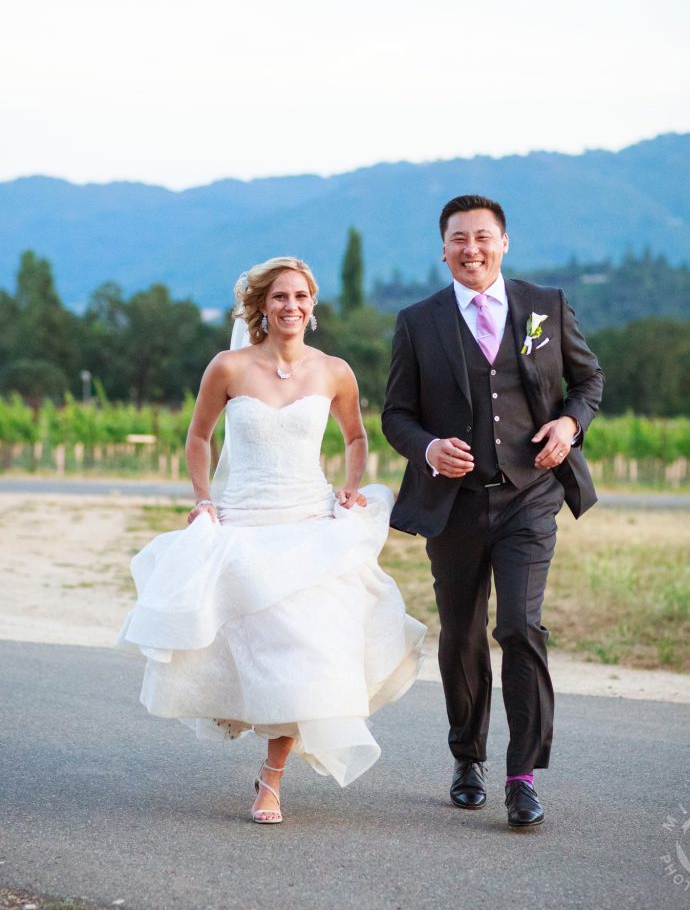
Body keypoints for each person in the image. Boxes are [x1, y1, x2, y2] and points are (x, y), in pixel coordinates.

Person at [117, 256, 425, 824]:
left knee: (309, 648)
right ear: (261, 305)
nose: (292, 307)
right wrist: (204, 498)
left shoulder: (335, 371)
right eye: (280, 297)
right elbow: (200, 437)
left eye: (302, 297)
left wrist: (352, 489)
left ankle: (272, 779)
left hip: (310, 522)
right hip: (246, 519)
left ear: (313, 307)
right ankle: (251, 730)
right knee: (256, 646)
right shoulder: (229, 367)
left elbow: (356, 437)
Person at [381, 195, 603, 828]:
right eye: (458, 238)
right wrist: (427, 446)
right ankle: (467, 757)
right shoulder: (417, 322)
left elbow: (590, 382)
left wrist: (569, 421)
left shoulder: (546, 306)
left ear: (505, 243)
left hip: (530, 497)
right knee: (461, 634)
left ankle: (522, 774)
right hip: (453, 506)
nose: (471, 248)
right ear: (443, 248)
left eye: (482, 237)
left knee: (521, 629)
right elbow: (396, 413)